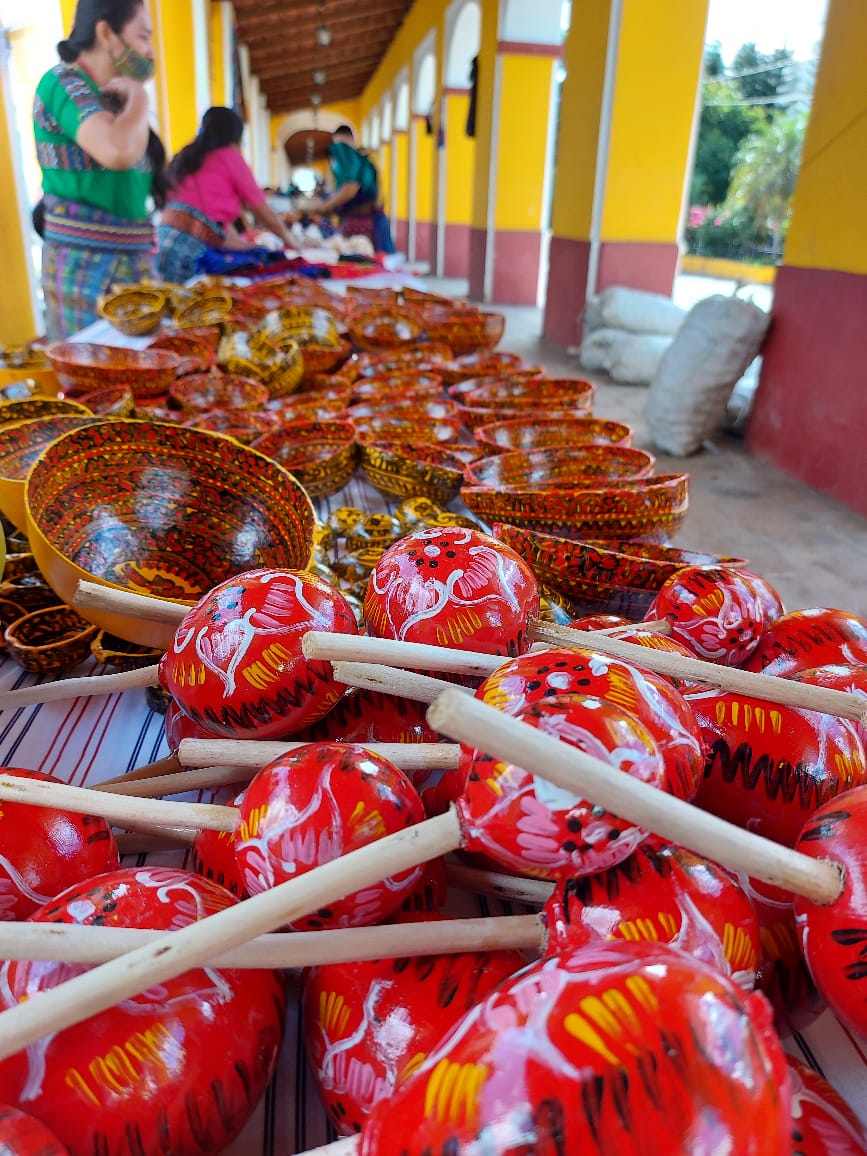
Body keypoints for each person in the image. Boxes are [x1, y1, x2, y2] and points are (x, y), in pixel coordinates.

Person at [33, 0, 167, 341]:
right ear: (106, 33)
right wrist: (140, 99)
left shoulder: (115, 104)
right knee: (94, 379)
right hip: (86, 270)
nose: (150, 53)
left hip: (133, 267)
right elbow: (118, 151)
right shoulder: (63, 82)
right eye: (143, 37)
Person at [156, 106, 295, 284]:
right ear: (236, 136)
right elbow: (262, 210)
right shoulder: (229, 157)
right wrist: (290, 241)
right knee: (266, 263)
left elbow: (208, 221)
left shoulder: (184, 158)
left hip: (163, 251)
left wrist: (246, 244)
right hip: (192, 258)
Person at [312, 124, 395, 254]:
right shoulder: (362, 162)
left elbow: (350, 189)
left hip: (365, 223)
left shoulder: (350, 157)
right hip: (368, 219)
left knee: (365, 261)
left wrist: (325, 206)